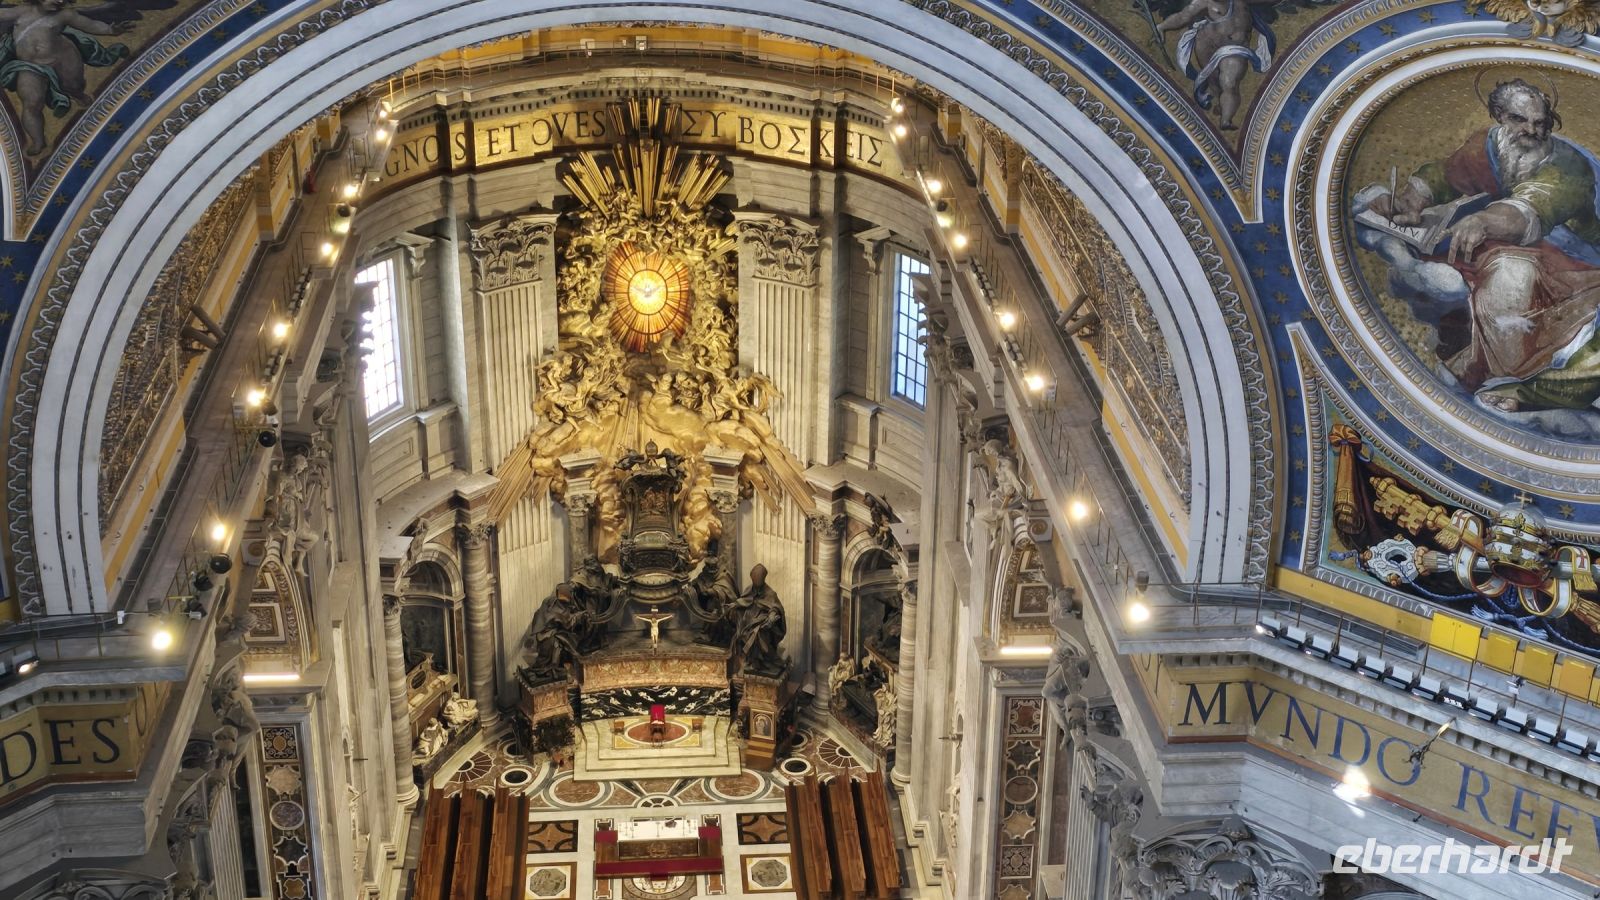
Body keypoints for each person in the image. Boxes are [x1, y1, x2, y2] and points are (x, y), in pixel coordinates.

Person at [1368, 78, 1600, 413]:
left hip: (1577, 256)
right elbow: (1446, 174)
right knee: (1467, 264)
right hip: (1516, 243)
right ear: (1501, 117)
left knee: (1511, 272)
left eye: (1540, 123)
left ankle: (1512, 373)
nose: (1531, 131)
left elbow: (1532, 208)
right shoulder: (1489, 146)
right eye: (1520, 120)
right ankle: (1477, 356)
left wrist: (1482, 221)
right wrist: (1410, 201)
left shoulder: (1568, 167)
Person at [0, 0, 149, 156]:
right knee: (31, 102)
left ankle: (78, 95)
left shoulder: (65, 15)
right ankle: (38, 141)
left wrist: (111, 30)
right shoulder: (20, 12)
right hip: (29, 66)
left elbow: (89, 24)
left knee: (73, 86)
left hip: (61, 59)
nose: (60, 1)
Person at [731, 563, 786, 674]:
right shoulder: (749, 589)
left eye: (758, 585)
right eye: (754, 584)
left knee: (758, 633)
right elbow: (744, 600)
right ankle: (752, 660)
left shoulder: (770, 593)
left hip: (764, 623)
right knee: (744, 629)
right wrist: (735, 605)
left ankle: (760, 661)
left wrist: (771, 617)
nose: (756, 587)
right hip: (748, 621)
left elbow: (776, 607)